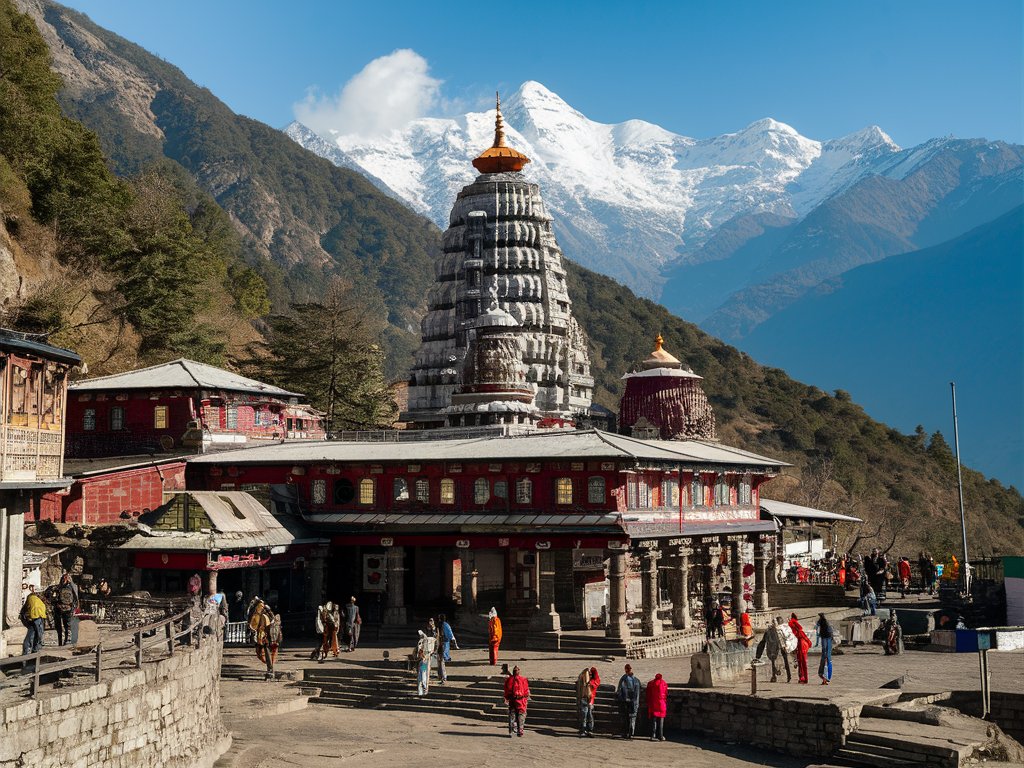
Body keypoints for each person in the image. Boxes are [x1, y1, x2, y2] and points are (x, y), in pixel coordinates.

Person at [755, 616, 792, 683]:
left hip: (777, 649)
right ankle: (786, 676)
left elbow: (763, 642)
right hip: (778, 648)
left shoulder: (771, 630)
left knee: (778, 661)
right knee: (783, 661)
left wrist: (758, 655)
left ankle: (780, 676)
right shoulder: (774, 630)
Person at [616, 663, 641, 739]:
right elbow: (639, 690)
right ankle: (631, 734)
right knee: (632, 718)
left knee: (625, 718)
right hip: (634, 702)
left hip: (625, 702)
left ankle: (625, 733)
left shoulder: (623, 679)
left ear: (626, 670)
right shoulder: (636, 680)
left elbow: (619, 691)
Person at [53, 572, 79, 647]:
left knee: (60, 626)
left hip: (60, 608)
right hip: (68, 608)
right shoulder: (73, 587)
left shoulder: (59, 587)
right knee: (67, 625)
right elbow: (75, 598)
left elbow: (55, 597)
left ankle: (61, 641)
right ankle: (66, 640)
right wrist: (74, 607)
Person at [504, 665, 530, 737]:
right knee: (521, 715)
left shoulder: (509, 680)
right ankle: (520, 730)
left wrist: (506, 697)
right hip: (520, 700)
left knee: (512, 714)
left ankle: (512, 729)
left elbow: (506, 690)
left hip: (512, 699)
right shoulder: (523, 679)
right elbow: (526, 691)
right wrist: (526, 697)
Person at [20, 586, 47, 655]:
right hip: (37, 618)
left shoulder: (30, 598)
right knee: (39, 635)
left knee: (31, 634)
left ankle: (26, 651)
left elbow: (23, 610)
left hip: (32, 618)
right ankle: (35, 651)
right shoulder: (36, 599)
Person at [258, 608, 282, 680]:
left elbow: (263, 628)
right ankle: (270, 669)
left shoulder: (267, 619)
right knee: (271, 655)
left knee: (269, 655)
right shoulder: (274, 620)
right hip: (272, 641)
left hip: (269, 640)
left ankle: (270, 670)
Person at [788, 613, 812, 684]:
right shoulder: (797, 626)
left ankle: (802, 678)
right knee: (803, 662)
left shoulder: (791, 624)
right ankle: (805, 678)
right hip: (803, 644)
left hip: (799, 645)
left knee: (800, 662)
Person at [575, 666, 599, 737]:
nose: (590, 675)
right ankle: (583, 729)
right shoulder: (586, 679)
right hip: (584, 699)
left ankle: (590, 730)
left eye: (592, 674)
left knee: (590, 715)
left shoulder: (595, 680)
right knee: (584, 715)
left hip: (590, 700)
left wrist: (590, 684)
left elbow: (595, 684)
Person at [645, 672, 668, 741]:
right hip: (662, 704)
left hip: (654, 703)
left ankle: (653, 735)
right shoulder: (664, 683)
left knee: (654, 720)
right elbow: (666, 693)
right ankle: (660, 735)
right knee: (661, 720)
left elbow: (648, 693)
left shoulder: (651, 683)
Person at [436, 613, 456, 684]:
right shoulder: (442, 625)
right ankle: (441, 677)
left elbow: (450, 635)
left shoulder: (443, 625)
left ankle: (443, 677)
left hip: (442, 645)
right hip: (441, 644)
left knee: (441, 662)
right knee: (440, 662)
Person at [815, 612, 834, 684]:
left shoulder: (822, 622)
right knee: (827, 658)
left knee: (825, 659)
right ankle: (825, 678)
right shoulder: (826, 623)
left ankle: (825, 679)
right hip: (827, 641)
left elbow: (816, 628)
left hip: (826, 641)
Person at [415, 628, 436, 696]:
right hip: (422, 662)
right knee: (421, 677)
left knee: (422, 676)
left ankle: (423, 690)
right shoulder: (424, 642)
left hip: (423, 662)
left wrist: (422, 657)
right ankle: (421, 691)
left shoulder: (423, 643)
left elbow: (420, 653)